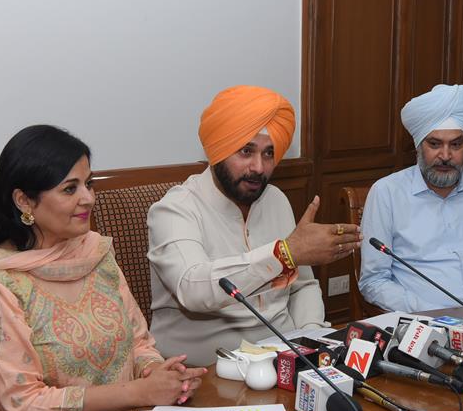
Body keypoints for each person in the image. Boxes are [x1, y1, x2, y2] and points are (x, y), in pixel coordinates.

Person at [0, 125, 206, 411]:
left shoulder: (94, 253)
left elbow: (138, 342)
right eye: (70, 189)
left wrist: (158, 373)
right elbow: (25, 403)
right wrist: (139, 393)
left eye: (89, 184)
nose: (89, 198)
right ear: (24, 201)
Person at [148, 85, 361, 366]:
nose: (259, 167)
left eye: (269, 153)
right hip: (206, 370)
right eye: (246, 151)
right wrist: (282, 255)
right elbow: (193, 288)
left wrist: (310, 339)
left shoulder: (276, 200)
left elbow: (302, 287)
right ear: (218, 150)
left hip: (284, 358)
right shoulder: (174, 209)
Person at [359, 84, 463, 312]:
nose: (446, 155)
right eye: (435, 144)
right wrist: (434, 315)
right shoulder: (387, 193)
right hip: (427, 322)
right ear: (419, 146)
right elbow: (374, 281)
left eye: (456, 144)